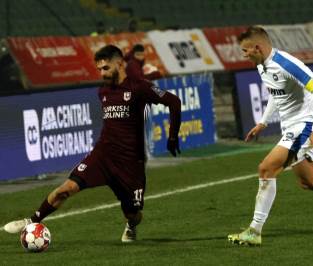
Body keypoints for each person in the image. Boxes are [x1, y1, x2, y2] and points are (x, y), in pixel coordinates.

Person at [4, 45, 181, 243]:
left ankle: (131, 225)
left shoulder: (140, 87)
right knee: (66, 188)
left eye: (106, 68)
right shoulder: (103, 91)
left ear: (119, 63)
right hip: (103, 155)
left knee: (133, 213)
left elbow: (174, 102)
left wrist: (172, 137)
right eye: (99, 69)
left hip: (131, 163)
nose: (102, 73)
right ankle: (32, 221)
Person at [227, 26, 313, 246]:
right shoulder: (262, 65)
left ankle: (254, 231)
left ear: (258, 47)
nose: (244, 55)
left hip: (304, 126)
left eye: (246, 51)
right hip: (290, 127)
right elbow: (277, 93)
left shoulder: (285, 63)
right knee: (309, 181)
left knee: (266, 168)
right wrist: (263, 122)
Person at [124, 43, 163, 158]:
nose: (141, 57)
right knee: (146, 127)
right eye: (139, 55)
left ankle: (146, 152)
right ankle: (147, 152)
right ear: (135, 54)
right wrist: (154, 75)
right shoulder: (132, 65)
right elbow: (140, 81)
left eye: (142, 54)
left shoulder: (135, 64)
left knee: (145, 126)